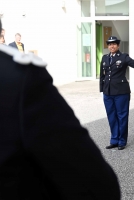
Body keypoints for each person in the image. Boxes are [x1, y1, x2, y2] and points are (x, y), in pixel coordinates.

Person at [0, 20, 120, 199]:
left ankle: (120, 139)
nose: (111, 46)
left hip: (119, 91)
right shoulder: (17, 77)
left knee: (120, 116)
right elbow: (95, 184)